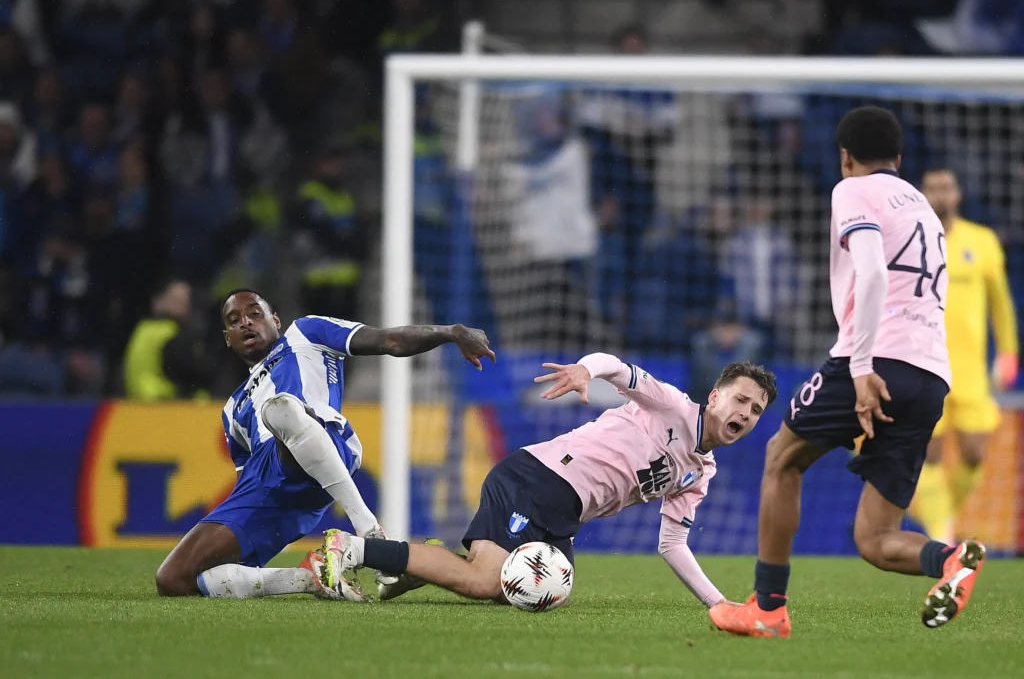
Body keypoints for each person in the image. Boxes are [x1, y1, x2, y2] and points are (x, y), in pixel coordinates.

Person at [710, 106, 982, 639]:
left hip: (877, 358)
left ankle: (768, 609)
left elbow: (874, 272)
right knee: (875, 539)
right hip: (931, 374)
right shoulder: (924, 208)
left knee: (782, 458)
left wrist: (860, 366)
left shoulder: (853, 189)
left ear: (845, 157)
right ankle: (951, 559)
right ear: (898, 157)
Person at [317, 355, 778, 609]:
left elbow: (672, 544)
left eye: (756, 410)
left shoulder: (701, 473)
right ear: (715, 396)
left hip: (564, 513)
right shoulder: (671, 405)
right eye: (740, 400)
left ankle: (423, 560)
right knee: (487, 582)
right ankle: (353, 549)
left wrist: (718, 604)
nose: (745, 413)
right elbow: (617, 367)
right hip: (538, 479)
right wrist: (585, 370)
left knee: (535, 592)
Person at [154, 289, 496, 600]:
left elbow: (390, 340)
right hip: (270, 488)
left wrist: (451, 332)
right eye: (234, 321)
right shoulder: (233, 409)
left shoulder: (306, 333)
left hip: (323, 440)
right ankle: (310, 577)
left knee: (280, 409)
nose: (245, 322)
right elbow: (248, 481)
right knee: (173, 579)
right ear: (227, 339)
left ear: (275, 320)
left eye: (254, 314)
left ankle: (372, 534)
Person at [910, 167, 1018, 543]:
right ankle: (942, 534)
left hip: (970, 370)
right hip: (925, 365)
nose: (940, 194)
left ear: (958, 194)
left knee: (974, 453)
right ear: (922, 194)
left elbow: (1000, 303)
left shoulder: (982, 241)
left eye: (947, 187)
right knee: (931, 453)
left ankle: (943, 515)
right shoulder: (911, 242)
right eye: (933, 188)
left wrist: (1008, 352)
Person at [123, 277, 215, 401]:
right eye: (176, 300)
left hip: (137, 401)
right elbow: (191, 373)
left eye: (185, 300)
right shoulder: (169, 335)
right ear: (159, 300)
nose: (182, 305)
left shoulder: (143, 329)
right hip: (162, 403)